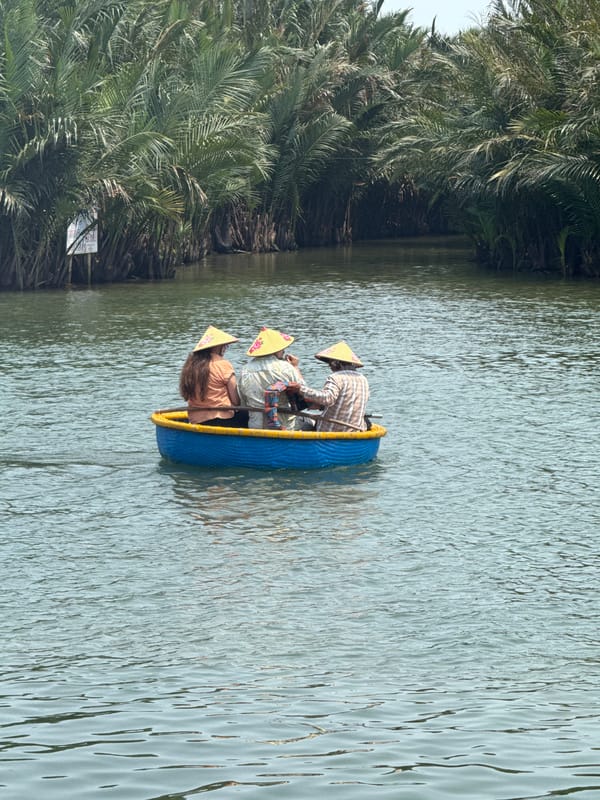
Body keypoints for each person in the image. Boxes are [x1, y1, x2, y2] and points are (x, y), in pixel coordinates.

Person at [288, 341, 370, 432]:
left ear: (336, 363)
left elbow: (327, 398)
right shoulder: (363, 379)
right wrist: (321, 406)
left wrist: (300, 389)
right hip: (354, 428)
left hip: (331, 429)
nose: (329, 366)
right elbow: (346, 402)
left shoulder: (336, 377)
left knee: (301, 421)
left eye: (330, 363)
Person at [179, 325, 248, 427]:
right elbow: (236, 400)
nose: (225, 349)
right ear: (217, 347)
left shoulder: (190, 365)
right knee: (249, 415)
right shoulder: (223, 364)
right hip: (221, 418)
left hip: (196, 419)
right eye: (224, 346)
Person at [238, 327, 305, 430]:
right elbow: (303, 392)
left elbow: (243, 401)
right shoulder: (286, 368)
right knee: (308, 423)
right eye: (282, 349)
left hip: (256, 425)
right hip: (283, 426)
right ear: (276, 350)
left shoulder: (245, 370)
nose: (283, 351)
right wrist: (295, 367)